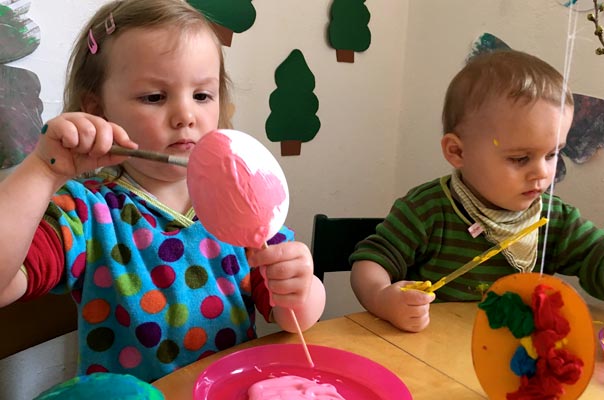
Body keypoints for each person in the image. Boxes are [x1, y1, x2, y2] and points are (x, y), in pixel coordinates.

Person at [0, 0, 325, 382]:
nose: (185, 115)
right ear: (98, 110)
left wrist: (302, 290)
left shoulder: (240, 200)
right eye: (155, 97)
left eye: (202, 96)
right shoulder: (86, 213)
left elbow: (291, 318)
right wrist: (41, 170)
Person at [350, 50, 604, 333]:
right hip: (430, 360)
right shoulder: (428, 209)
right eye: (520, 158)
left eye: (553, 154)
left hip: (513, 364)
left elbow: (597, 262)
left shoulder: (557, 219)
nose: (543, 173)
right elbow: (370, 262)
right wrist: (384, 298)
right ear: (457, 151)